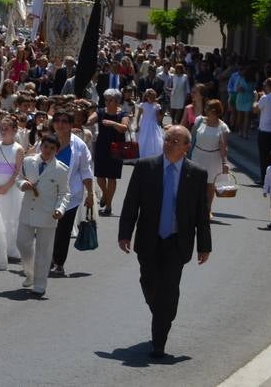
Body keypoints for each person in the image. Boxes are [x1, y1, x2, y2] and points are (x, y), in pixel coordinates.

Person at [117, 125, 211, 359]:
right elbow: (131, 202)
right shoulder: (146, 167)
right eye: (167, 139)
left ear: (186, 147)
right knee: (149, 282)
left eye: (175, 141)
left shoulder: (197, 174)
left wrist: (204, 244)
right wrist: (124, 232)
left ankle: (159, 340)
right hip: (150, 237)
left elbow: (201, 211)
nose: (169, 143)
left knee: (169, 288)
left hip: (177, 241)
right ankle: (162, 312)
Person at [15, 134, 70, 298]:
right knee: (22, 243)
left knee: (44, 250)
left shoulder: (61, 169)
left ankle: (39, 283)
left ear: (57, 151)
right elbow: (18, 178)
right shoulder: (28, 161)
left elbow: (64, 193)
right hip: (28, 210)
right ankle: (29, 272)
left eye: (52, 148)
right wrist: (23, 184)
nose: (47, 151)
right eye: (45, 147)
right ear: (41, 146)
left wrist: (60, 209)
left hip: (48, 214)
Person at [47, 109, 95, 278]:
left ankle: (59, 262)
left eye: (65, 121)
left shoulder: (79, 145)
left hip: (70, 194)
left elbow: (85, 170)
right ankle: (48, 259)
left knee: (63, 230)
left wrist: (90, 194)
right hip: (47, 192)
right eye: (57, 120)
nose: (60, 124)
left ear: (70, 124)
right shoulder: (46, 141)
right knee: (47, 228)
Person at [92, 90, 131, 216]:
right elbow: (88, 120)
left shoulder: (123, 113)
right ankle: (105, 194)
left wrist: (112, 123)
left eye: (110, 100)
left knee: (112, 177)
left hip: (117, 146)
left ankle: (108, 206)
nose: (107, 102)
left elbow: (124, 128)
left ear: (117, 101)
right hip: (102, 145)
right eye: (106, 99)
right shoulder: (100, 112)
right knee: (100, 176)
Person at [191, 99, 231, 219]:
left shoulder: (223, 127)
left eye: (207, 108)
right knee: (195, 184)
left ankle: (207, 209)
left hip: (213, 158)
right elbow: (191, 136)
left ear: (214, 111)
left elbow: (223, 147)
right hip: (197, 155)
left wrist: (225, 162)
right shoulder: (199, 120)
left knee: (210, 185)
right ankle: (193, 208)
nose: (205, 110)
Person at [0, 116, 24, 258]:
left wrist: (6, 186)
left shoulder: (18, 149)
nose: (3, 131)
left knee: (11, 216)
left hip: (11, 188)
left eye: (7, 129)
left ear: (14, 130)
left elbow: (17, 171)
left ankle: (11, 248)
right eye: (1, 129)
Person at [255, 78, 271, 179]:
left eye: (265, 85)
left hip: (265, 132)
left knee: (264, 156)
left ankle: (264, 179)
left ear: (268, 86)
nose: (264, 87)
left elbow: (255, 109)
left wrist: (256, 98)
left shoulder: (265, 98)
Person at [137, 88, 165, 159]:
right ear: (147, 97)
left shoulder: (157, 106)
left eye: (154, 97)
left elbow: (158, 116)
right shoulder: (143, 105)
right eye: (151, 97)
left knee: (154, 139)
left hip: (153, 124)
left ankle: (153, 154)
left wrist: (160, 120)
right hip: (144, 123)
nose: (152, 99)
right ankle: (143, 153)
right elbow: (139, 115)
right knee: (144, 138)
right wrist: (137, 124)